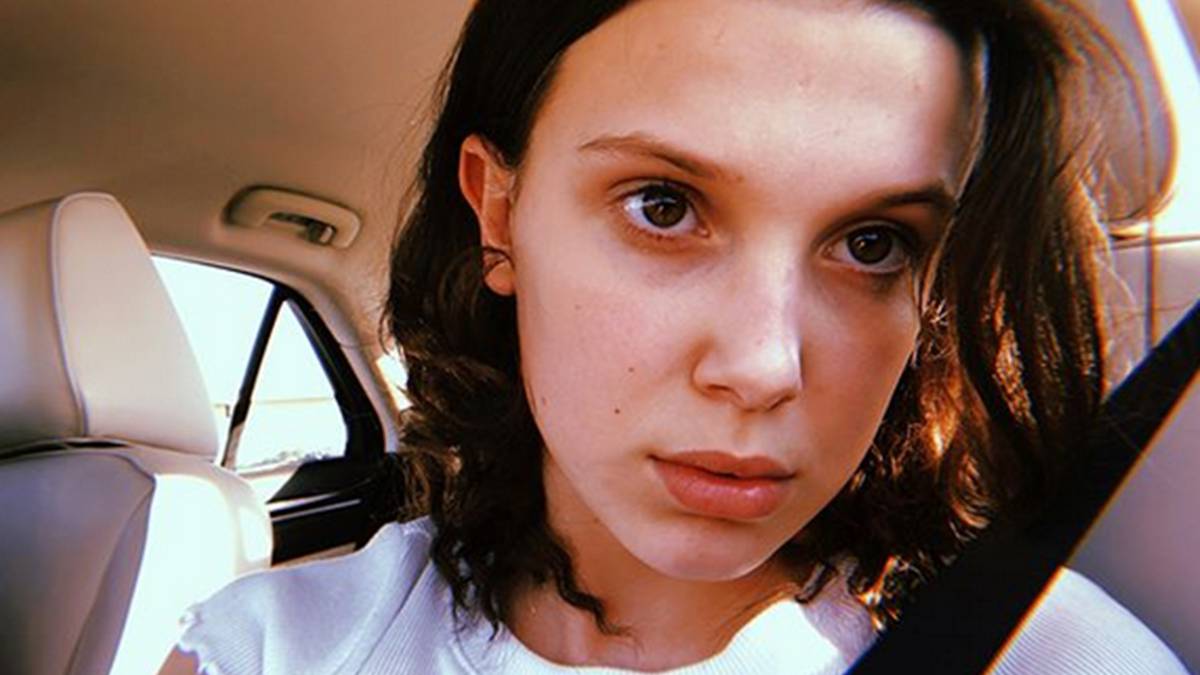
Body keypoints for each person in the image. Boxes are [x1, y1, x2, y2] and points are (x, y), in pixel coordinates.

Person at [162, 0, 1188, 672]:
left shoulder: (1046, 654)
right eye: (662, 206)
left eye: (873, 243)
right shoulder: (271, 650)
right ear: (499, 212)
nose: (762, 368)